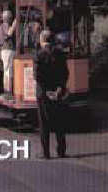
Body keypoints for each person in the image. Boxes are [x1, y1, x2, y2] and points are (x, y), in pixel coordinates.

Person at [33, 30, 69, 159]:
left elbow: (37, 76)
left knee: (44, 123)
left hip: (43, 93)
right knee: (60, 122)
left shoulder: (38, 55)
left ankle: (46, 153)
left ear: (42, 40)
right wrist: (59, 88)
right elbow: (65, 73)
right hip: (58, 93)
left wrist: (47, 90)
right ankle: (61, 151)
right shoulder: (60, 54)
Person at [0, 10, 16, 95]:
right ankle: (8, 90)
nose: (11, 19)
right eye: (10, 18)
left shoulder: (2, 25)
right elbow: (9, 34)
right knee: (8, 70)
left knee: (8, 70)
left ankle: (8, 89)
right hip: (7, 49)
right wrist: (14, 25)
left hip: (6, 50)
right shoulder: (5, 25)